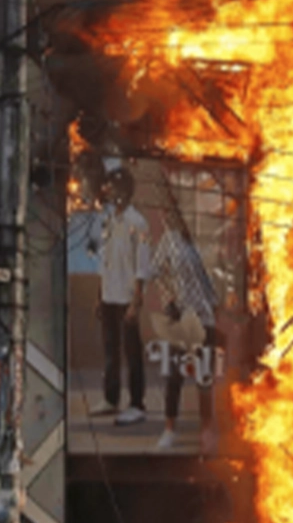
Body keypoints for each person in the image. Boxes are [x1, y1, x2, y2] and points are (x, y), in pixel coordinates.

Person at [134, 176, 223, 451]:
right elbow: (154, 271)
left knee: (203, 378)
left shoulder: (205, 238)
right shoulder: (170, 241)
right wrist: (167, 298)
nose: (173, 217)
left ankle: (207, 431)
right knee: (173, 376)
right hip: (180, 321)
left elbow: (218, 277)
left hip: (205, 319)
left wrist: (219, 306)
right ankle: (169, 430)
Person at [89, 167, 149, 427]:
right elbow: (105, 262)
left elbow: (142, 265)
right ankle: (110, 399)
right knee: (110, 351)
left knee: (132, 353)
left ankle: (137, 404)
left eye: (113, 187)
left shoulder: (138, 223)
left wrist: (136, 302)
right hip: (109, 295)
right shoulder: (110, 220)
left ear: (125, 190)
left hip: (126, 299)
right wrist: (98, 295)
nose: (109, 192)